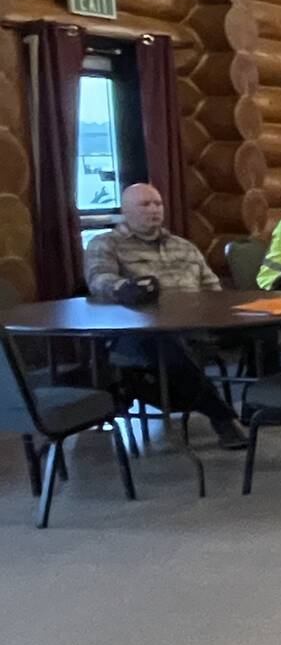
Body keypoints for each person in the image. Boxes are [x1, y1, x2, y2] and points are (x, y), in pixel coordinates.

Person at [84, 183, 249, 449]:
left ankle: (264, 407)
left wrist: (227, 314)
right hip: (140, 333)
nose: (154, 209)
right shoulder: (106, 244)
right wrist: (125, 289)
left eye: (158, 204)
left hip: (198, 326)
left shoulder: (183, 246)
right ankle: (222, 418)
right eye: (145, 204)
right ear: (126, 211)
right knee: (165, 342)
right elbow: (98, 279)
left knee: (264, 329)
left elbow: (212, 287)